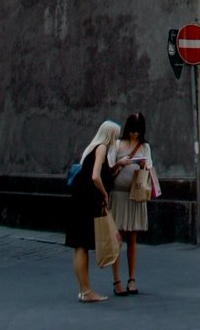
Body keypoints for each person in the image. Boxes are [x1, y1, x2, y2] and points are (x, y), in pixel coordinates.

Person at [65, 119, 121, 303]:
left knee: (79, 247)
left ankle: (83, 290)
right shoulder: (102, 147)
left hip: (78, 201)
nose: (116, 140)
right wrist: (104, 194)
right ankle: (87, 292)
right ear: (110, 135)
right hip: (87, 202)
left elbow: (99, 173)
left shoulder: (92, 148)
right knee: (82, 245)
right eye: (115, 135)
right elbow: (96, 176)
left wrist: (117, 166)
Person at [108, 111, 160, 296]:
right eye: (132, 131)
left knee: (132, 238)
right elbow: (109, 169)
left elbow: (150, 168)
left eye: (138, 132)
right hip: (119, 195)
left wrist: (143, 166)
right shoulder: (116, 144)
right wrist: (120, 164)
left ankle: (131, 279)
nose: (134, 135)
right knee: (117, 239)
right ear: (127, 128)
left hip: (135, 195)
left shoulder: (144, 147)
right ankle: (116, 281)